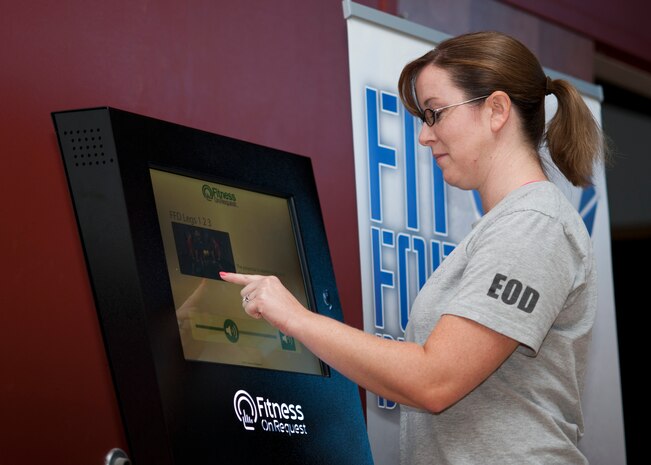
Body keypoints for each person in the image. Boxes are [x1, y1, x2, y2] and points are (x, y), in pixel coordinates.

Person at [221, 30, 604, 465]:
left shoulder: (536, 224)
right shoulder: (509, 225)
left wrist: (295, 319)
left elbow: (433, 380)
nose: (425, 136)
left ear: (496, 110)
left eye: (436, 114)